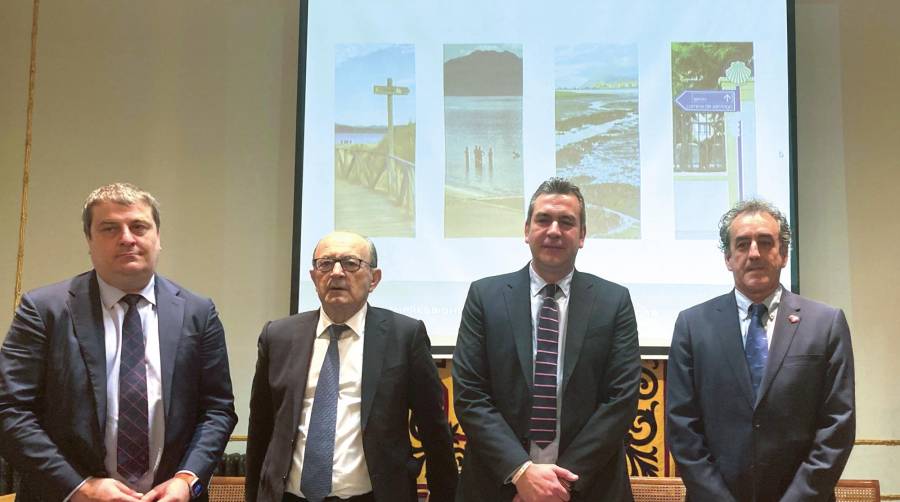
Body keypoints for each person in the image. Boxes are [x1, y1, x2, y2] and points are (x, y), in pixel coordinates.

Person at [0, 183, 238, 502]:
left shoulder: (198, 312)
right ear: (89, 240)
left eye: (139, 226)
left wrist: (186, 479)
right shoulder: (44, 311)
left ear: (158, 237)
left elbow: (217, 410)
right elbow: (9, 410)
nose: (127, 238)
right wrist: (79, 487)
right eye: (109, 228)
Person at [453, 177, 641, 501]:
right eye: (543, 220)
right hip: (498, 486)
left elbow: (620, 401)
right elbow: (471, 395)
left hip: (588, 487)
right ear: (526, 230)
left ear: (582, 236)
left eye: (567, 222)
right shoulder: (484, 296)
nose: (554, 230)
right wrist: (522, 473)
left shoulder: (614, 302)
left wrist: (556, 485)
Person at [245, 231, 457, 502]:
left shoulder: (404, 336)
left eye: (350, 263)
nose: (336, 272)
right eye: (325, 263)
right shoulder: (279, 336)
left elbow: (434, 431)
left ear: (374, 279)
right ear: (313, 276)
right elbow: (261, 428)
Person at [666, 199, 855, 501]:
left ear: (783, 254)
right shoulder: (692, 325)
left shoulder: (826, 323)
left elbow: (837, 425)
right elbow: (682, 427)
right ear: (728, 257)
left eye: (766, 242)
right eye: (742, 244)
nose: (754, 253)